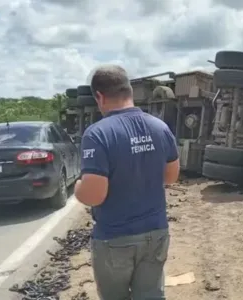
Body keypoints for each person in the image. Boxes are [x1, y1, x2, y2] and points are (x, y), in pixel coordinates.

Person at [74, 65, 180, 300]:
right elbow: (171, 177)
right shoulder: (160, 127)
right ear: (129, 90)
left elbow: (94, 195)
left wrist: (78, 187)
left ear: (99, 96)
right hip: (156, 232)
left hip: (115, 238)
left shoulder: (97, 134)